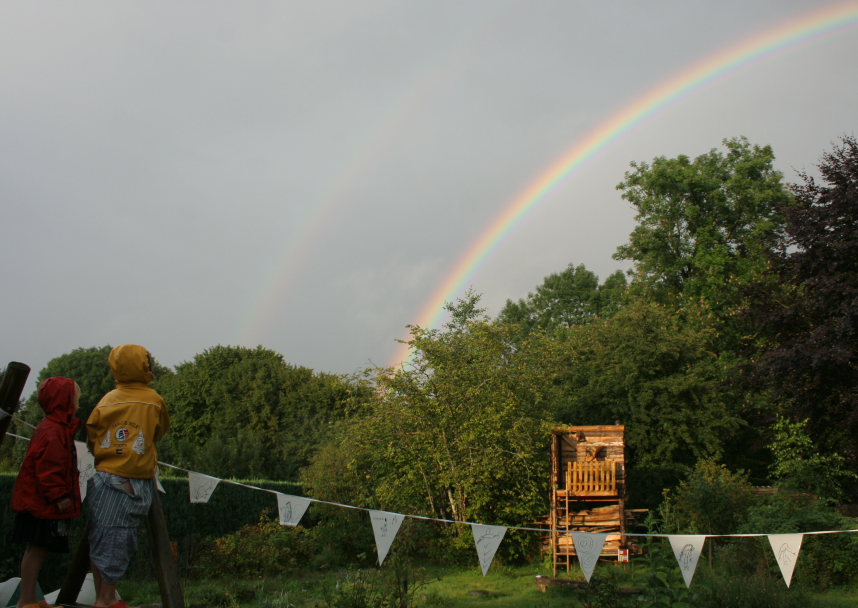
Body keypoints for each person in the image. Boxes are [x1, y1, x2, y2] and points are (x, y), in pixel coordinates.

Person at [86, 345, 170, 608]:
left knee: (102, 537)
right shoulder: (154, 400)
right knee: (119, 539)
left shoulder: (106, 400)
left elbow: (92, 435)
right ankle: (107, 600)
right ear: (145, 367)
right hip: (133, 479)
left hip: (103, 478)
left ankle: (103, 596)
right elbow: (159, 431)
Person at [10, 377, 83, 608]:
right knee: (37, 550)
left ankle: (30, 599)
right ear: (67, 401)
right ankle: (26, 601)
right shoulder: (54, 430)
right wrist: (59, 495)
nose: (78, 402)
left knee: (35, 550)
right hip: (40, 503)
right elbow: (48, 467)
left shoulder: (53, 426)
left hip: (36, 500)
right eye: (76, 397)